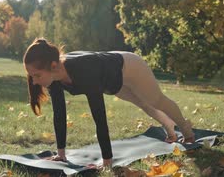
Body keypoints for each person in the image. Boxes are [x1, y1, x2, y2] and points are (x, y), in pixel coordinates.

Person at [23, 38, 195, 168]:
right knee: (143, 104)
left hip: (129, 66)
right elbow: (59, 114)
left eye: (37, 75)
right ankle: (170, 130)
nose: (35, 82)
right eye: (32, 76)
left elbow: (99, 116)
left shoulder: (83, 70)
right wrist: (61, 154)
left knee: (156, 100)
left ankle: (187, 131)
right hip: (111, 81)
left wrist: (107, 161)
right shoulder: (53, 78)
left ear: (53, 65)